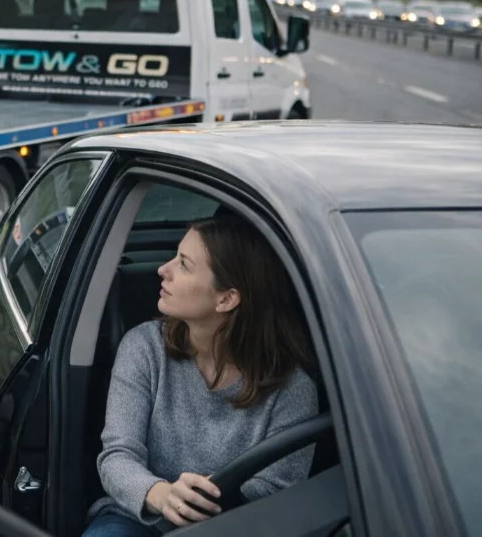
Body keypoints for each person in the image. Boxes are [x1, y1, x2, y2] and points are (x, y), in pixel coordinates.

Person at [84, 212, 318, 536]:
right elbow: (117, 457)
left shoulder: (292, 390)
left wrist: (208, 505)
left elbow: (277, 496)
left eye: (183, 264)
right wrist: (163, 496)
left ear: (226, 298)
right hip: (136, 519)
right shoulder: (144, 347)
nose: (163, 270)